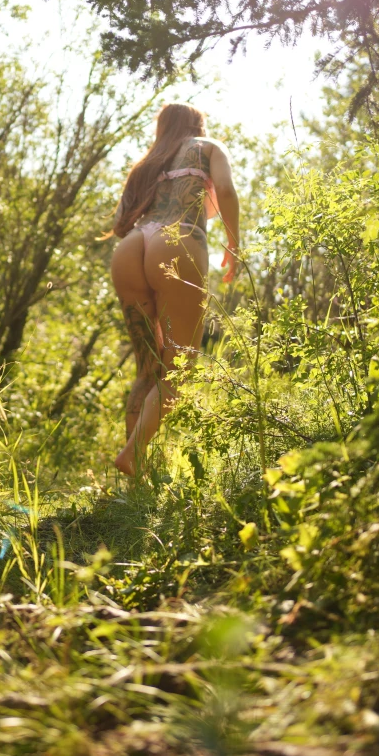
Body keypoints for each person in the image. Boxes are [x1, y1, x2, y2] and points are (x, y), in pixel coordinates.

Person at [110, 103, 239, 476]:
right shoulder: (208, 146)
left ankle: (136, 480)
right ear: (197, 124)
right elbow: (225, 190)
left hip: (132, 247)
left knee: (147, 369)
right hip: (178, 239)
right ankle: (133, 456)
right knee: (180, 367)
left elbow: (120, 224)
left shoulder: (147, 162)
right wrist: (234, 243)